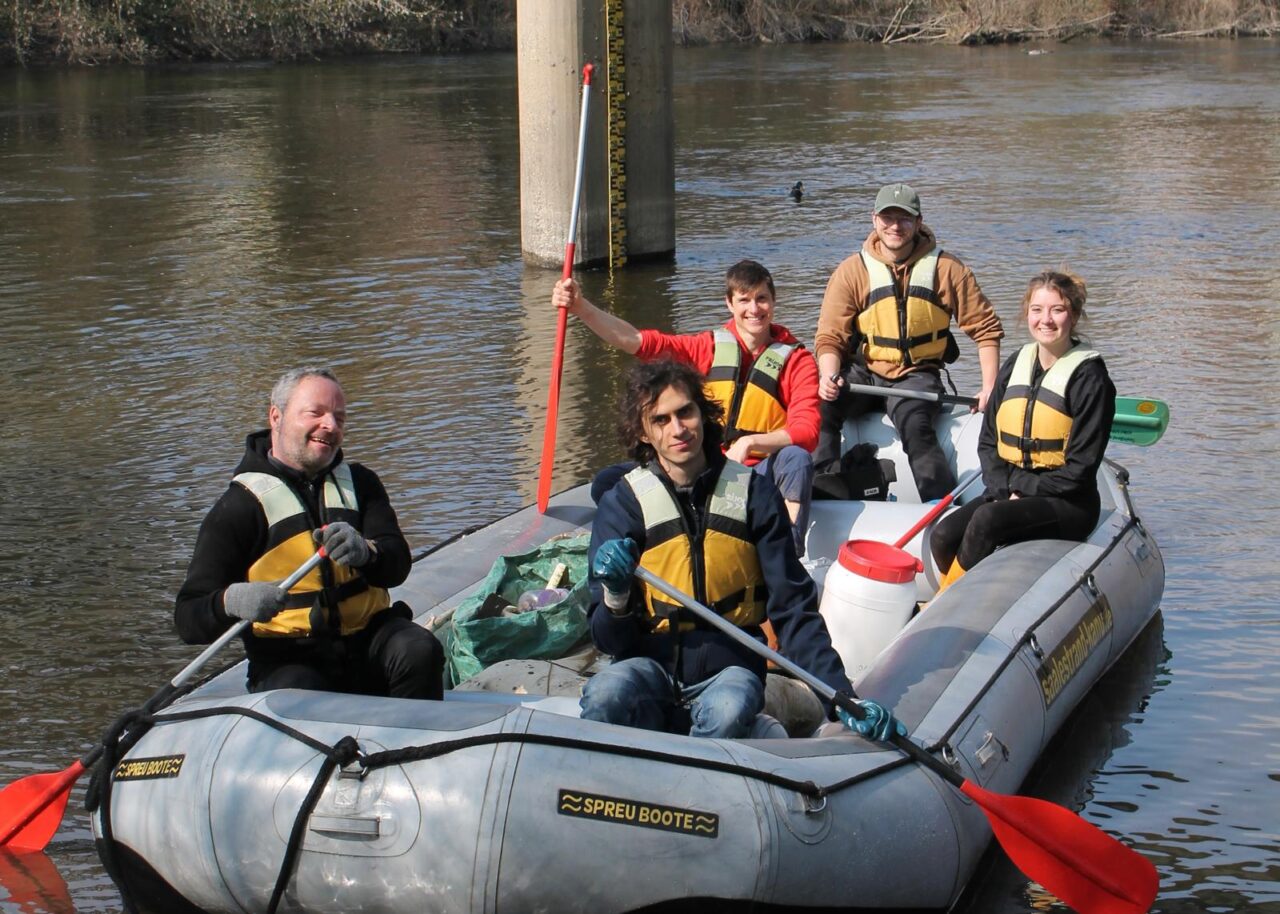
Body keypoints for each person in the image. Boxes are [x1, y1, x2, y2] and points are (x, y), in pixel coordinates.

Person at [579, 359, 904, 741]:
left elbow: (793, 610)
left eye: (685, 412)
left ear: (703, 411)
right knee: (605, 694)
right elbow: (608, 640)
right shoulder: (624, 503)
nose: (678, 429)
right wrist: (616, 597)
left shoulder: (754, 493)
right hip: (649, 661)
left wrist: (843, 698)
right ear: (645, 434)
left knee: (729, 710)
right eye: (661, 420)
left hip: (729, 667)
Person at [175, 367, 444, 698]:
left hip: (369, 640)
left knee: (419, 649)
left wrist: (368, 553)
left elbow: (397, 565)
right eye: (315, 413)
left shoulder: (362, 484)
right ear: (277, 416)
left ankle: (419, 746)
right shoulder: (239, 507)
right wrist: (231, 600)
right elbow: (188, 618)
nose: (330, 426)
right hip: (290, 657)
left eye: (339, 418)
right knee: (298, 692)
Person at [553, 260, 818, 556]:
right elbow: (638, 342)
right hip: (704, 466)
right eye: (744, 300)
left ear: (773, 301)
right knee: (607, 483)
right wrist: (580, 307)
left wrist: (749, 443)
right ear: (729, 304)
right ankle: (654, 543)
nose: (754, 309)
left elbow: (806, 431)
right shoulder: (707, 347)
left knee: (797, 459)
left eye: (762, 298)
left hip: (758, 473)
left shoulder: (798, 361)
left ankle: (788, 553)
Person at [813, 183, 1005, 501]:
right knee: (824, 407)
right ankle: (825, 486)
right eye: (888, 217)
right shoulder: (851, 271)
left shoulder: (948, 269)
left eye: (904, 219)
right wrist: (829, 376)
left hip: (917, 374)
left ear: (918, 222)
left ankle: (939, 505)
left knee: (916, 426)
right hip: (865, 372)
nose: (895, 226)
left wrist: (989, 387)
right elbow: (830, 337)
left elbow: (986, 330)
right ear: (874, 220)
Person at [929, 271, 1116, 592]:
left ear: (1073, 314)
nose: (1046, 320)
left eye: (1057, 309)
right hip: (1009, 490)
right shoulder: (1017, 363)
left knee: (988, 521)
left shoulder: (1091, 379)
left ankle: (945, 603)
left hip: (1069, 504)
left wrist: (1023, 491)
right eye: (1037, 309)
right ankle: (971, 594)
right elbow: (988, 441)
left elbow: (1081, 471)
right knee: (943, 535)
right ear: (1026, 313)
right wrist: (1006, 490)